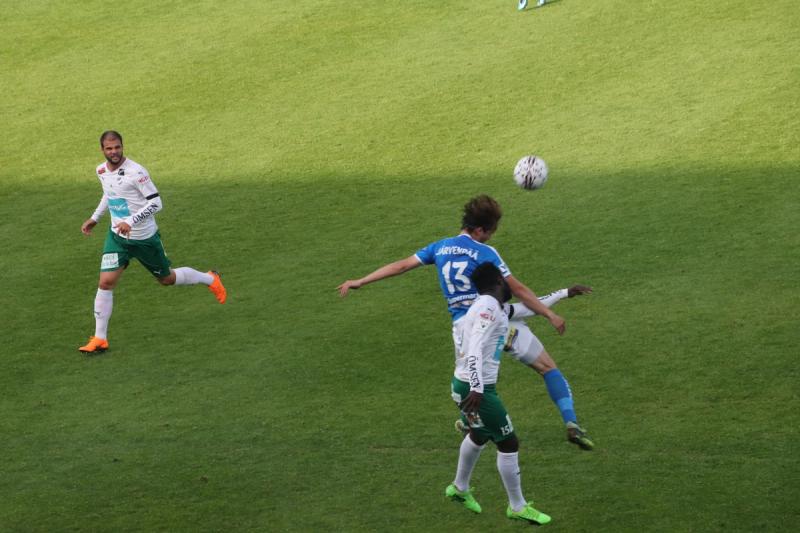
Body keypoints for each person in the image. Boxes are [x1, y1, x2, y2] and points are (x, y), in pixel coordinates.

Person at [338, 195, 593, 450]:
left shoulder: (439, 248)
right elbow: (518, 291)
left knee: (468, 381)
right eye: (490, 232)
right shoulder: (484, 252)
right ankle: (571, 423)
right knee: (547, 368)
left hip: (465, 329)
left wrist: (361, 280)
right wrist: (550, 314)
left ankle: (470, 423)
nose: (491, 237)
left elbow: (402, 266)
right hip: (499, 320)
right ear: (480, 229)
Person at [78, 131, 227, 353]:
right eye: (109, 148)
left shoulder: (136, 172)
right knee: (106, 283)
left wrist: (130, 221)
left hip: (144, 238)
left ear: (122, 146)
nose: (114, 152)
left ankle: (210, 278)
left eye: (117, 147)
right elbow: (109, 193)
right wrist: (95, 218)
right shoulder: (101, 170)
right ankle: (100, 338)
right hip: (117, 238)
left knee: (167, 279)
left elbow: (157, 203)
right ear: (102, 150)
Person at [445, 262, 551, 524]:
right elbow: (475, 347)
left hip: (463, 383)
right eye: (505, 279)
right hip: (477, 389)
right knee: (508, 442)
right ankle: (517, 506)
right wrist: (478, 388)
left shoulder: (493, 307)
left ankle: (459, 488)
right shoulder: (488, 308)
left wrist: (566, 293)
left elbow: (529, 307)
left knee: (479, 434)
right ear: (498, 282)